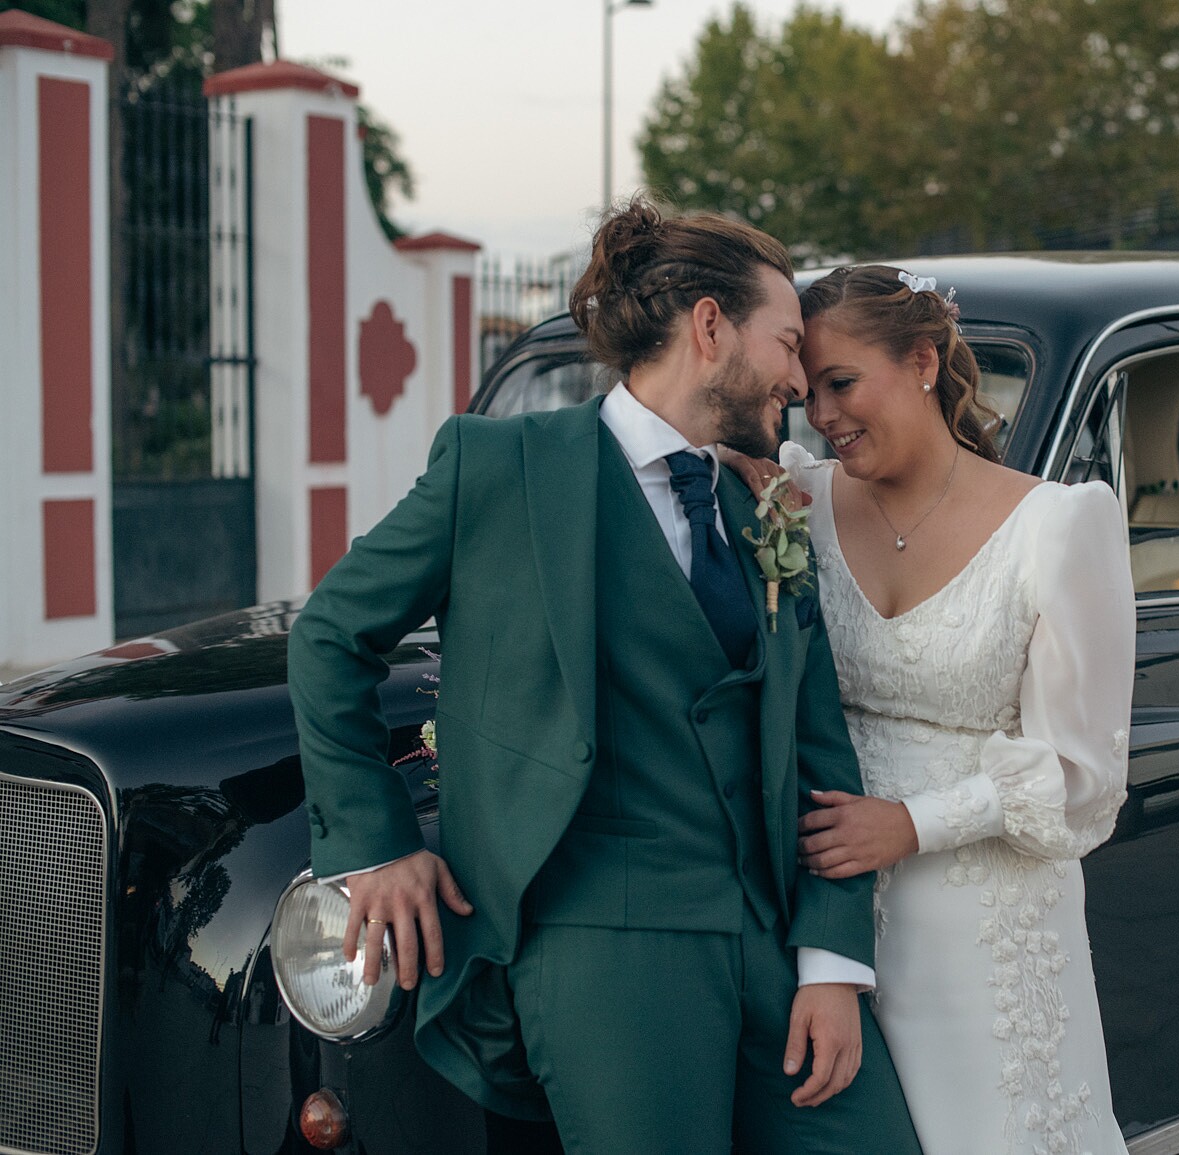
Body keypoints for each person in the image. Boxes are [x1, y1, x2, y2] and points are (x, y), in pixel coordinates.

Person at [286, 199, 922, 1155]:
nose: (800, 380)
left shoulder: (761, 509)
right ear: (710, 328)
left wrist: (831, 959)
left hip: (772, 949)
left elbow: (817, 735)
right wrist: (376, 844)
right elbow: (331, 633)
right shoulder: (500, 465)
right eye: (787, 343)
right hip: (606, 950)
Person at [731, 265, 1135, 1154]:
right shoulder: (796, 500)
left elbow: (1084, 774)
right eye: (812, 396)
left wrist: (913, 824)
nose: (825, 417)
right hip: (826, 909)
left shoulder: (1059, 524)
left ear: (921, 360)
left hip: (984, 921)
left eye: (843, 385)